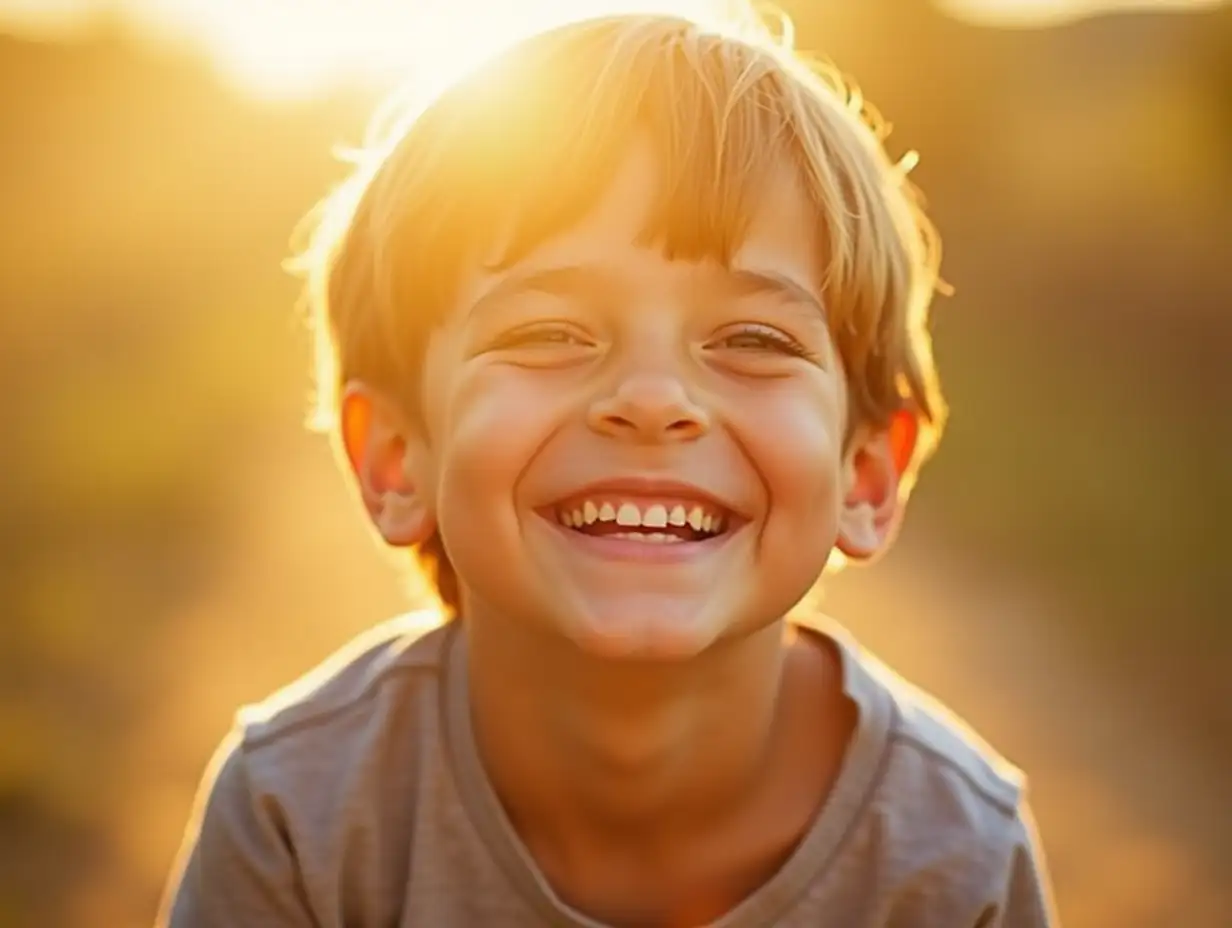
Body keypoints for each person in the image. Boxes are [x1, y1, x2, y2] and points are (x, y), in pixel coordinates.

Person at [159, 8, 1058, 927]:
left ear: (865, 475)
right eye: (548, 332)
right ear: (397, 457)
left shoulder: (952, 858)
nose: (653, 397)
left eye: (752, 338)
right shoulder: (297, 819)